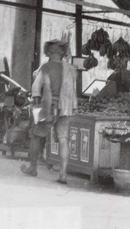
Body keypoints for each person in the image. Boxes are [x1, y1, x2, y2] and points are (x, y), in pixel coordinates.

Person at [20, 39, 78, 184]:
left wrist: (36, 104)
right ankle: (63, 174)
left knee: (36, 136)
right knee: (64, 139)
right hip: (65, 107)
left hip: (46, 106)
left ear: (50, 52)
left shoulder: (46, 67)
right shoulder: (70, 68)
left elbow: (36, 87)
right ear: (63, 53)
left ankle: (33, 168)